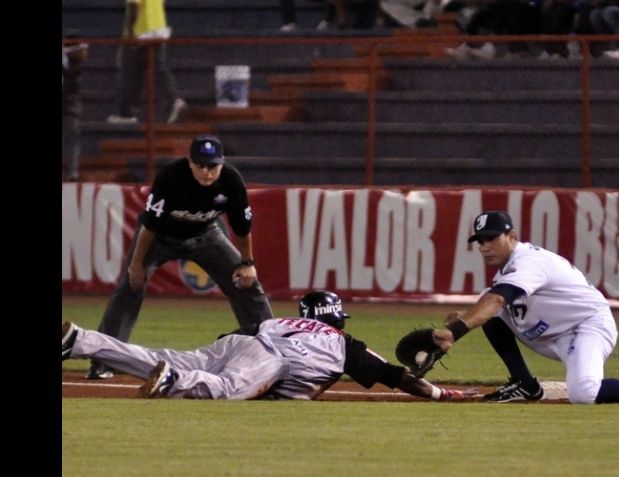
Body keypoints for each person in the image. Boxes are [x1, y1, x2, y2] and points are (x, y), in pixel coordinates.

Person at [430, 210, 619, 404]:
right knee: (487, 301)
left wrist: (456, 331)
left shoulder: (529, 261)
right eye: (480, 241)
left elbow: (498, 300)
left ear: (511, 236)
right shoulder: (507, 271)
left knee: (584, 393)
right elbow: (494, 303)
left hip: (586, 326)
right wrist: (468, 316)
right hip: (550, 334)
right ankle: (525, 384)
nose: (485, 246)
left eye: (491, 238)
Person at [85, 134, 274, 379]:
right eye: (201, 166)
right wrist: (136, 265)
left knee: (248, 284)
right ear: (189, 162)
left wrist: (247, 264)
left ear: (222, 163)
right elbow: (149, 225)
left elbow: (242, 227)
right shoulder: (171, 176)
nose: (207, 172)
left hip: (206, 235)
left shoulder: (230, 179)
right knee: (129, 288)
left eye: (213, 166)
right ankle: (104, 360)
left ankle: (273, 353)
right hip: (160, 237)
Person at [63, 291, 469, 401]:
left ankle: (80, 340)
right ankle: (174, 382)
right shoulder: (341, 341)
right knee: (228, 390)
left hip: (244, 339)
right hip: (269, 359)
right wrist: (438, 392)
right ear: (336, 319)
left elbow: (229, 341)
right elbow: (394, 375)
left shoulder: (279, 318)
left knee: (159, 355)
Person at [106, 0, 187, 124]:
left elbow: (134, 6)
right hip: (158, 29)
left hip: (141, 31)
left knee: (128, 69)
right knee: (151, 68)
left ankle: (126, 112)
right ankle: (173, 101)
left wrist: (129, 33)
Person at [62, 35, 88, 182]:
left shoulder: (76, 66)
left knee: (72, 138)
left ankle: (72, 173)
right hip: (68, 108)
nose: (85, 53)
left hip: (70, 109)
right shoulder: (69, 66)